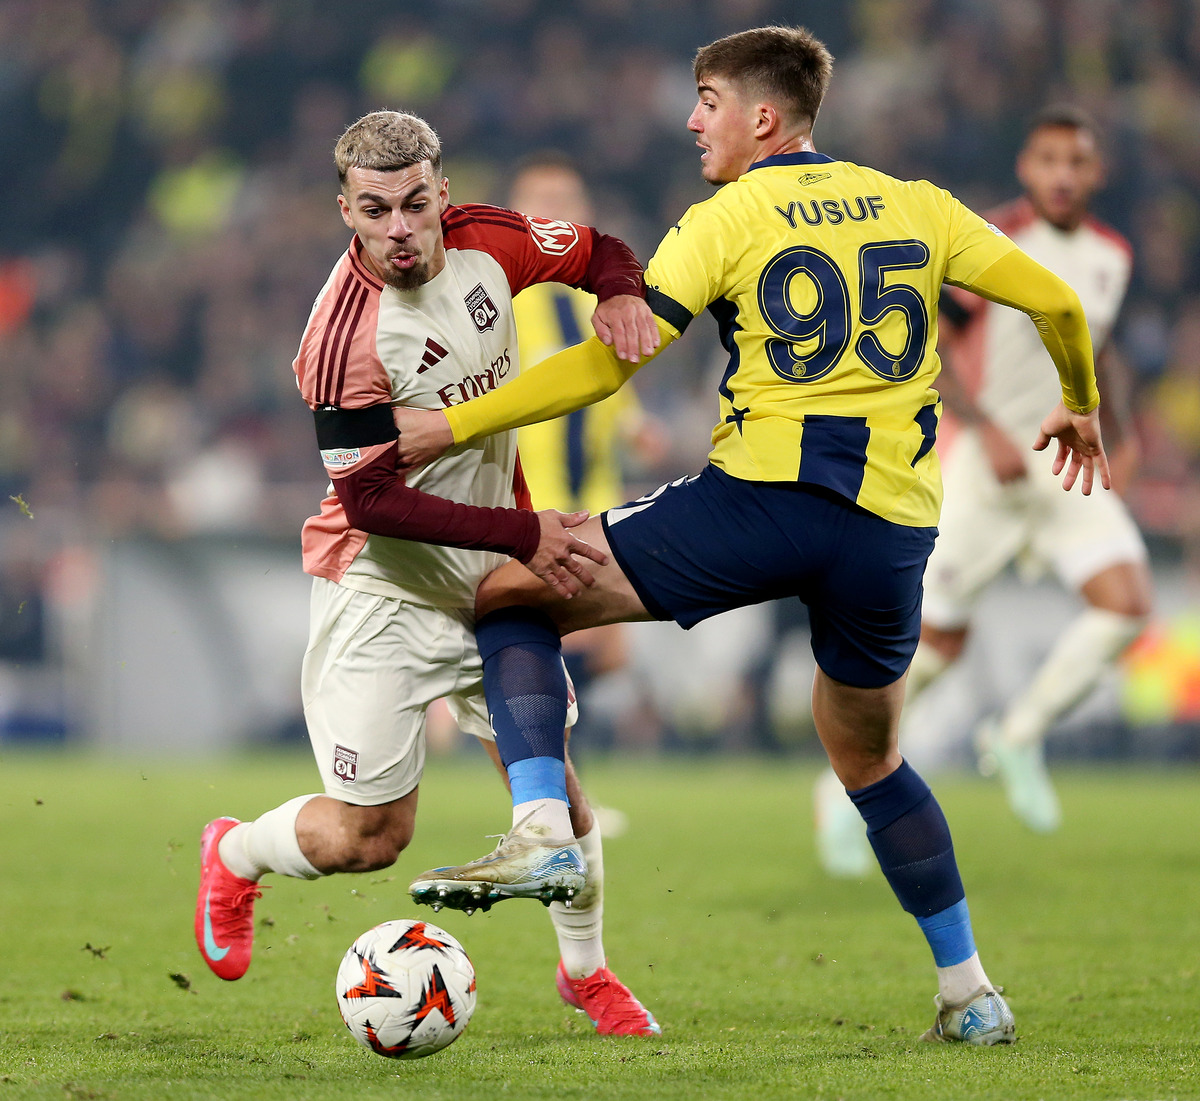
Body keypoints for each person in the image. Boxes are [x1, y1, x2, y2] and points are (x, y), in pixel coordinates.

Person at [393, 26, 1113, 1046]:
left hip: (762, 502)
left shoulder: (726, 217)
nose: (692, 120)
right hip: (892, 532)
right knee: (867, 762)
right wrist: (1080, 406)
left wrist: (450, 423)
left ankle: (544, 830)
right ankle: (970, 994)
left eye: (707, 99)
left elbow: (608, 366)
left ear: (761, 118)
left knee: (511, 593)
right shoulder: (918, 203)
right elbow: (1056, 299)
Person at [193, 109, 663, 1037]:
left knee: (558, 794)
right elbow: (371, 501)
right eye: (377, 210)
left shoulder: (488, 239)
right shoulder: (340, 342)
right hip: (385, 585)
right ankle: (237, 851)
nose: (401, 228)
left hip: (492, 568)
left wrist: (618, 291)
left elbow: (602, 246)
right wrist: (523, 529)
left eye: (415, 203)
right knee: (372, 835)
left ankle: (586, 973)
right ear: (346, 211)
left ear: (442, 192)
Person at [813, 106, 1151, 875]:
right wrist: (987, 428)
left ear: (1096, 174)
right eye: (1048, 159)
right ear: (1026, 171)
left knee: (1127, 606)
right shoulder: (986, 239)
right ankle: (838, 789)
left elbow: (1096, 352)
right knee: (936, 645)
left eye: (1078, 161)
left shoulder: (1112, 256)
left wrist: (1117, 432)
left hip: (1064, 460)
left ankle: (1019, 733)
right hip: (985, 468)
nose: (1063, 174)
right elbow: (925, 341)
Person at [508, 152, 666, 751]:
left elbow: (608, 388)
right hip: (530, 497)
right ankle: (516, 742)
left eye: (564, 202)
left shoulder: (593, 300)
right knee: (558, 633)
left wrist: (636, 428)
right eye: (538, 203)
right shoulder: (500, 297)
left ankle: (524, 734)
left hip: (595, 494)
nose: (551, 214)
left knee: (611, 644)